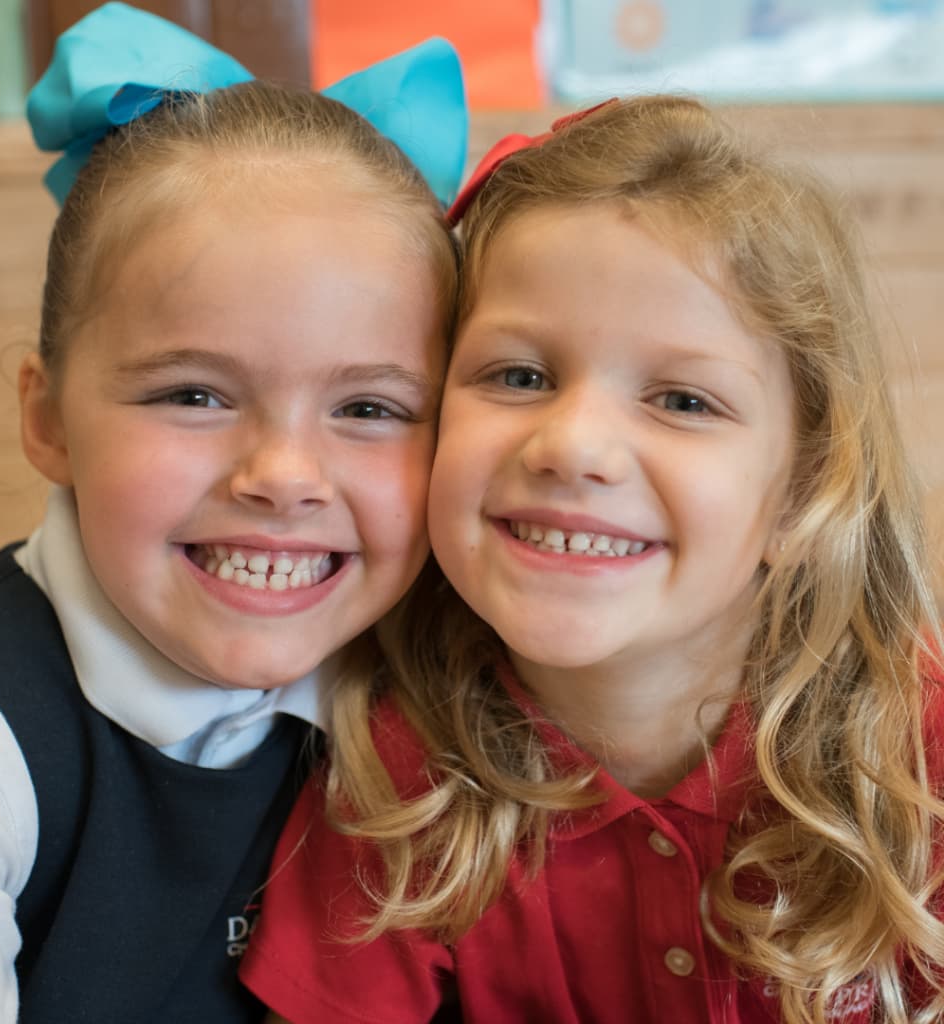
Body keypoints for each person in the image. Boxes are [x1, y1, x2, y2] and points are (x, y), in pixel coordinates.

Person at [239, 95, 944, 1023]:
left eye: (683, 400)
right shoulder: (390, 776)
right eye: (519, 376)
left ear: (803, 492)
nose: (572, 446)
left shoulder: (913, 755)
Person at [0, 4, 465, 1022]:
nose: (285, 474)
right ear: (47, 417)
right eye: (195, 395)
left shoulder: (451, 677)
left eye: (369, 408)